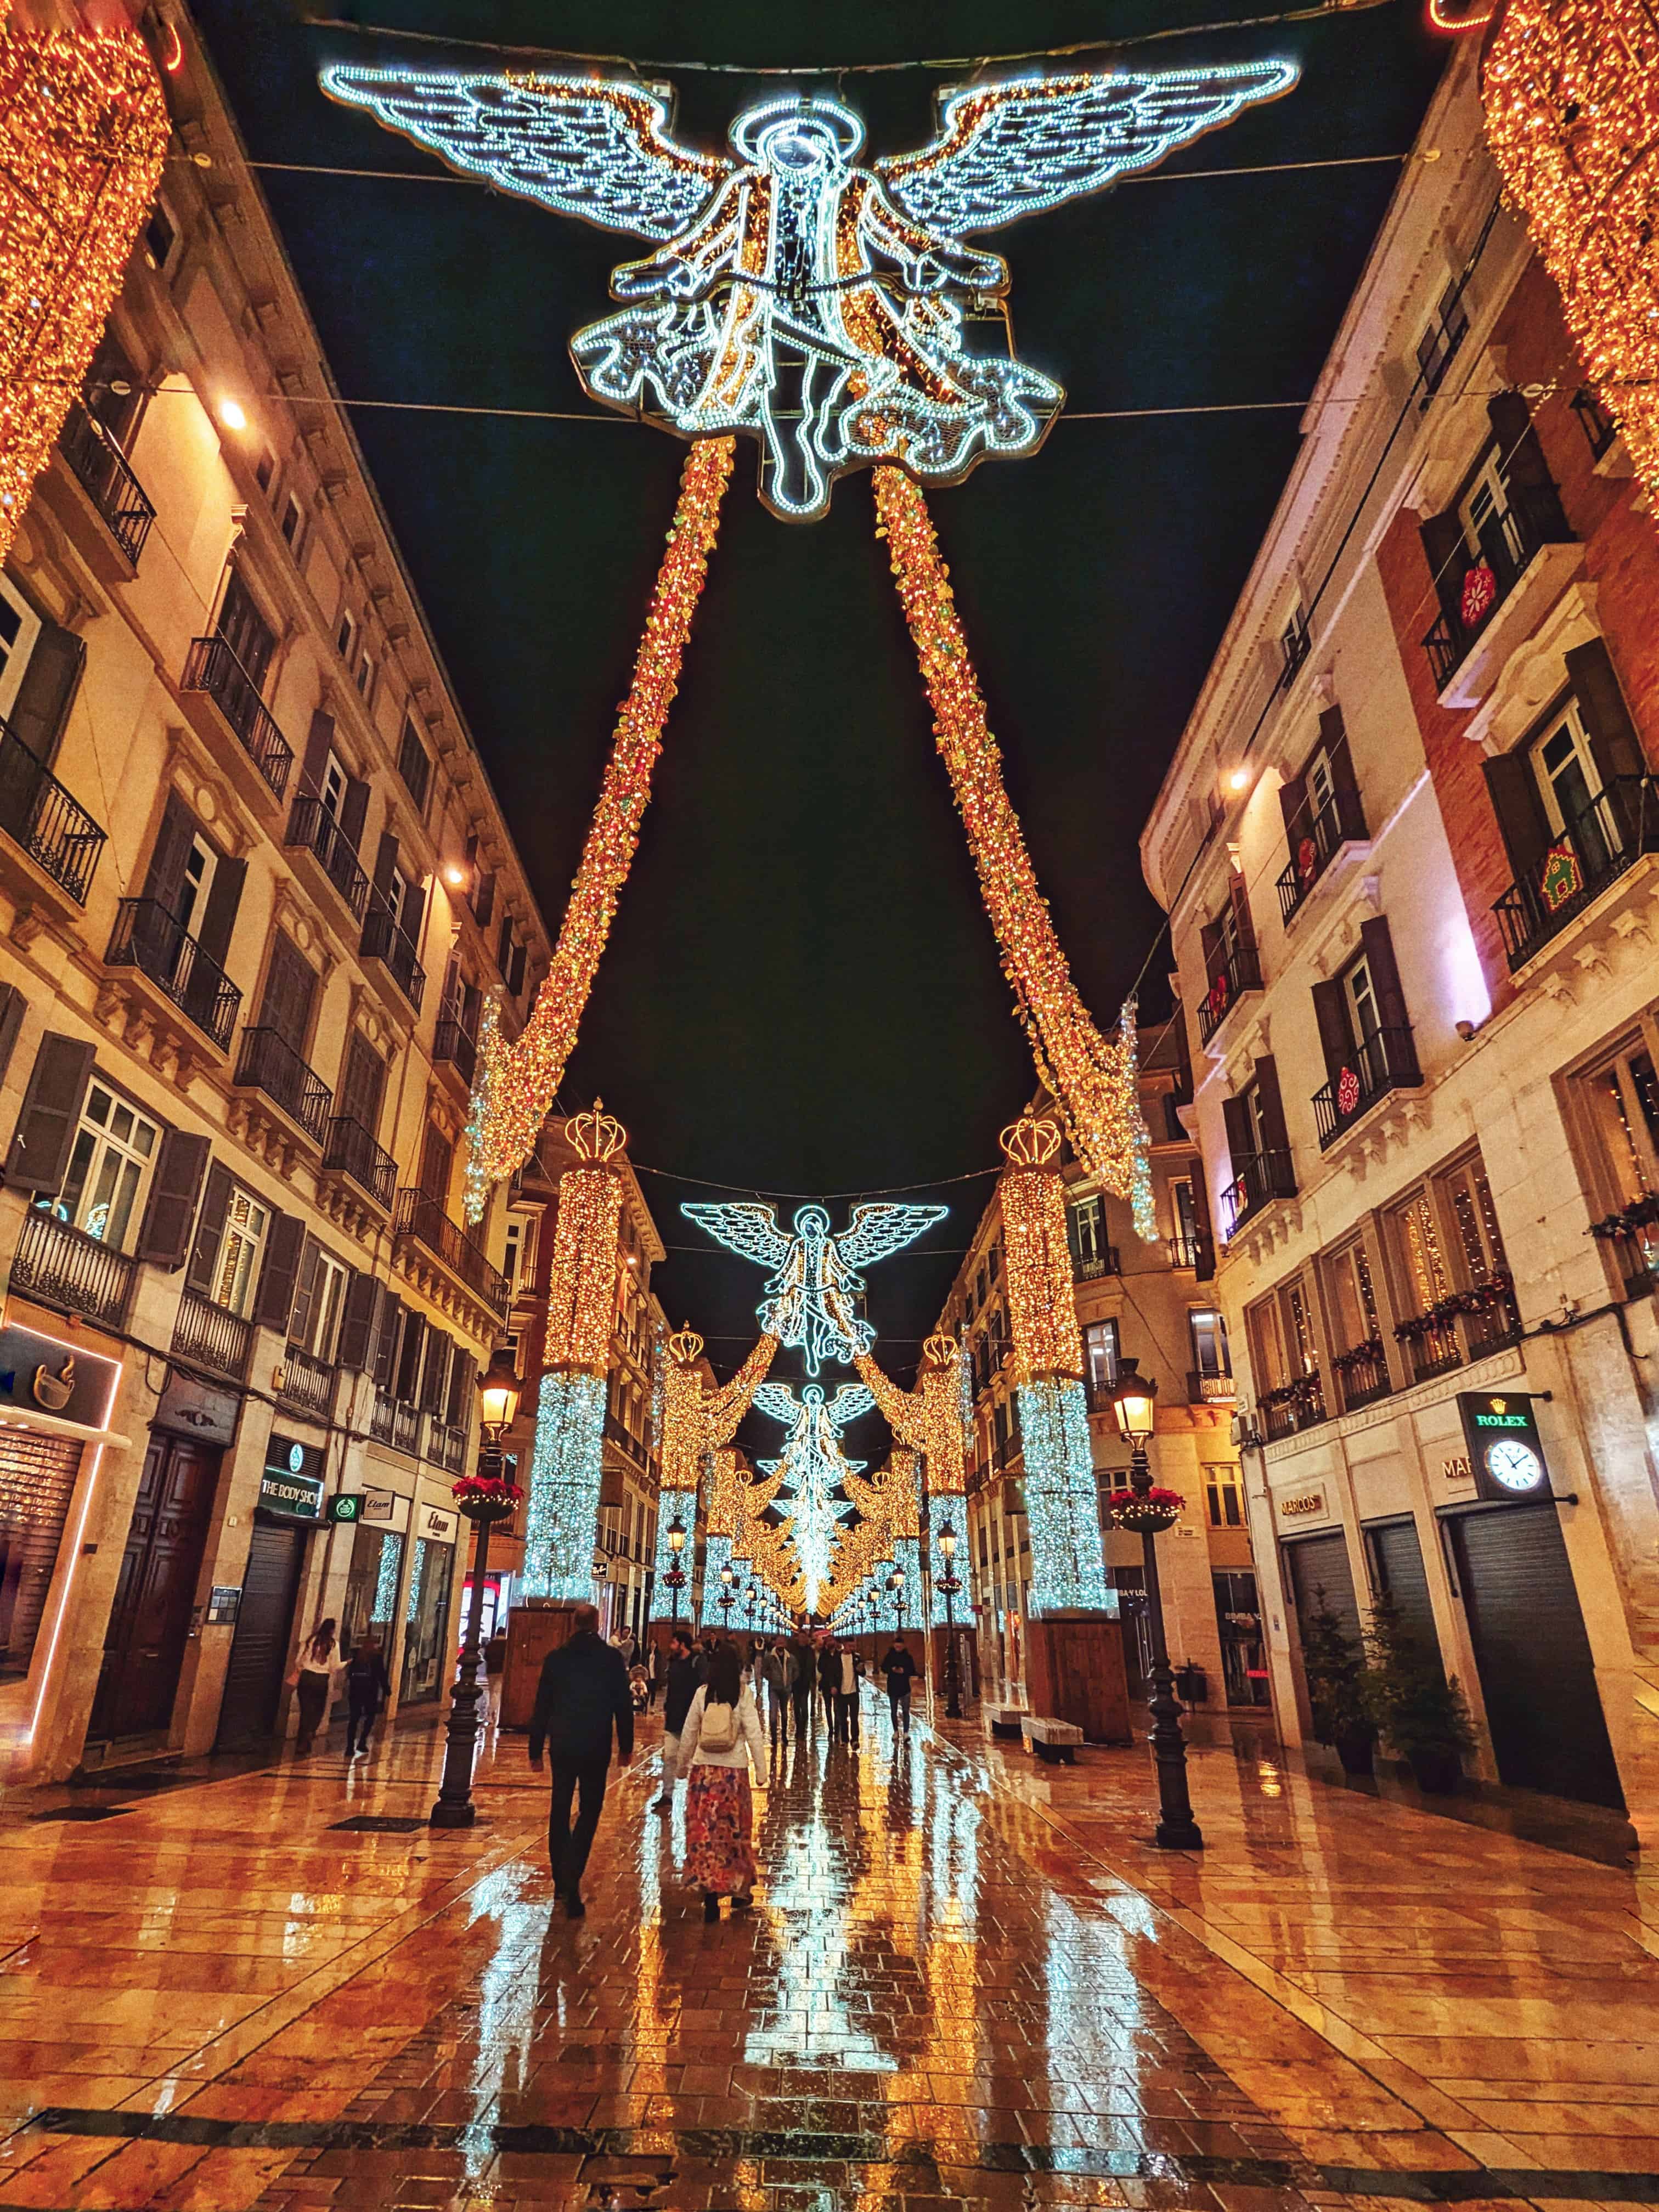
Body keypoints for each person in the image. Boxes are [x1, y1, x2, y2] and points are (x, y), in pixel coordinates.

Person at [528, 1603, 634, 1918]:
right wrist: (626, 1747)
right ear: (598, 1623)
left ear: (574, 1623)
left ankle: (562, 1880)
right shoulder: (611, 1659)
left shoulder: (556, 1659)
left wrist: (535, 1749)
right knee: (590, 1810)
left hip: (562, 1745)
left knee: (559, 1808)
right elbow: (623, 1707)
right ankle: (572, 1874)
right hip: (595, 1745)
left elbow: (542, 1707)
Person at [678, 1640, 767, 1921]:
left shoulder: (703, 1694)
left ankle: (709, 1894)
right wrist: (762, 1771)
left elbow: (690, 1732)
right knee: (733, 1834)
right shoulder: (743, 1694)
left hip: (704, 1774)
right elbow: (754, 1732)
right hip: (732, 1775)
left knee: (705, 1834)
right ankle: (738, 1888)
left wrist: (682, 1766)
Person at [653, 1627, 698, 1813]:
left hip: (691, 1720)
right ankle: (667, 1795)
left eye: (674, 1643)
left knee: (692, 1761)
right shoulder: (673, 1663)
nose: (671, 1646)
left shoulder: (696, 1664)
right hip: (673, 1719)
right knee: (670, 1757)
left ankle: (694, 1797)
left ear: (683, 1644)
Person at [291, 1618, 338, 1754]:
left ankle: (302, 1742)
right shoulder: (334, 1645)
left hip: (306, 1678)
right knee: (318, 1710)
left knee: (306, 1711)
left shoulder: (310, 1640)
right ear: (332, 1630)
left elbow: (298, 1661)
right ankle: (310, 1733)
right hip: (321, 1680)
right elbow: (334, 1667)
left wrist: (302, 1668)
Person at [343, 1633, 391, 1758]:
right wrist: (387, 1690)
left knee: (354, 1719)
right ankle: (362, 1741)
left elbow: (350, 1674)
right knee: (370, 1718)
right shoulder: (376, 1657)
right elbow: (381, 1675)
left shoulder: (357, 1655)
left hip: (356, 1690)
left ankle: (349, 1747)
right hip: (370, 1691)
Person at [758, 1639, 793, 1750]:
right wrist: (771, 1678)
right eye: (779, 1643)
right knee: (773, 1713)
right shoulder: (769, 1657)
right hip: (774, 1688)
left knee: (785, 1713)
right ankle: (774, 1737)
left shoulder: (790, 1658)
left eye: (782, 1643)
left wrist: (790, 1680)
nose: (781, 1645)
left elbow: (796, 1670)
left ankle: (784, 1735)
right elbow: (763, 1671)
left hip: (785, 1689)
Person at [881, 1637, 918, 1735]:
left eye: (900, 1646)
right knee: (894, 1711)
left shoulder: (908, 1657)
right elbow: (884, 1668)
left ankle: (906, 1732)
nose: (898, 1647)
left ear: (903, 1646)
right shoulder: (889, 1657)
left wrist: (904, 1671)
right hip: (893, 1687)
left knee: (906, 1711)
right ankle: (896, 1731)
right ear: (894, 1645)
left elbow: (913, 1671)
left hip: (905, 1687)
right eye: (897, 1646)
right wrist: (892, 1669)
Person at [833, 1641, 863, 1746]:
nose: (852, 1648)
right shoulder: (837, 1657)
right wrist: (833, 1686)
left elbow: (862, 1673)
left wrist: (861, 1669)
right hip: (841, 1692)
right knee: (843, 1718)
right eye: (850, 1646)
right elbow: (833, 1673)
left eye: (854, 1646)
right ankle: (845, 1740)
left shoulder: (857, 1657)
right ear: (845, 1645)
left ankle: (855, 1739)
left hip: (854, 1692)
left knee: (854, 1718)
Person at [790, 1633, 815, 1738]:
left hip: (806, 1683)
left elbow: (813, 1666)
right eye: (801, 1637)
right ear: (798, 1638)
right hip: (795, 1682)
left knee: (804, 1707)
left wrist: (813, 1681)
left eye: (805, 1637)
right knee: (796, 1706)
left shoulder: (810, 1651)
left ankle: (802, 1730)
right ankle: (798, 1727)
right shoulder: (793, 1650)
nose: (803, 1639)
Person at [483, 1624, 507, 1726]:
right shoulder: (507, 1645)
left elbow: (486, 1657)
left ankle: (491, 1712)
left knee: (492, 1691)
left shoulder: (491, 1644)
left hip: (491, 1671)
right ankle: (491, 1712)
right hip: (501, 1671)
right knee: (497, 1692)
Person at [817, 1639, 840, 1730]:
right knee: (828, 1707)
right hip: (826, 1684)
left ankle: (837, 1728)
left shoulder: (839, 1655)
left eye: (832, 1641)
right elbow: (820, 1668)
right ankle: (831, 1728)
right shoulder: (823, 1655)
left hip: (838, 1685)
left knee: (837, 1708)